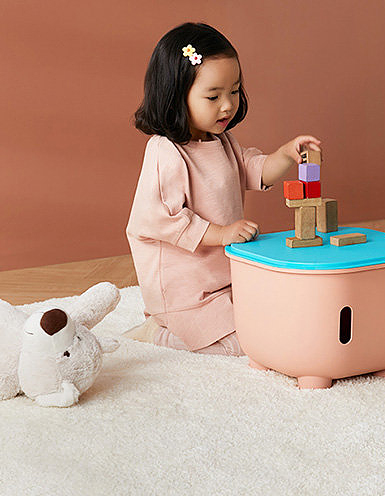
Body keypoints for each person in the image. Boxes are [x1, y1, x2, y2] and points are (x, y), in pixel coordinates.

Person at [124, 22, 321, 356]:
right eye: (213, 96)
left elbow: (253, 169)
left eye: (234, 91)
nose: (227, 105)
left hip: (224, 278)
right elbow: (158, 219)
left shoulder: (222, 141)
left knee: (271, 318)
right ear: (176, 96)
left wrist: (287, 153)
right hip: (186, 290)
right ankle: (157, 334)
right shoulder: (166, 151)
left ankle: (193, 324)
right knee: (242, 345)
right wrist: (222, 232)